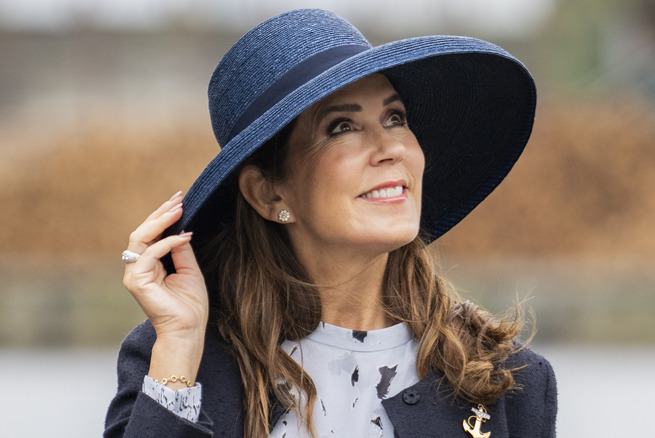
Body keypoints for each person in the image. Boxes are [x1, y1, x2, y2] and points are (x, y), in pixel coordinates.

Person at [105, 8, 556, 438]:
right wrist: (180, 351)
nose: (390, 148)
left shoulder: (507, 380)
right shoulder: (181, 356)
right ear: (269, 193)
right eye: (342, 127)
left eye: (395, 118)